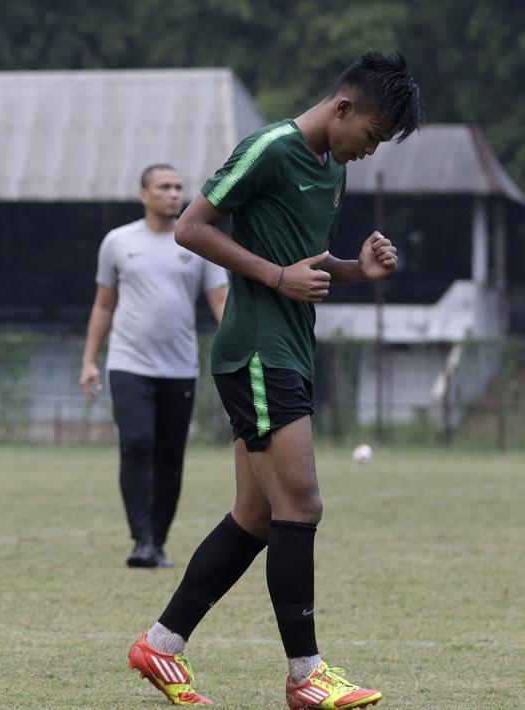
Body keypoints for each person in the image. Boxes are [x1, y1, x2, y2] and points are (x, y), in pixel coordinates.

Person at [127, 51, 422, 708]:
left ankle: (161, 644)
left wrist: (359, 271)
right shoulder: (269, 148)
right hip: (258, 351)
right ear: (343, 107)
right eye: (371, 135)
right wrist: (273, 277)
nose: (369, 151)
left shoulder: (332, 167)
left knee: (256, 515)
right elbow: (191, 228)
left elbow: (308, 264)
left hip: (288, 349)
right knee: (301, 506)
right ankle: (305, 674)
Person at [79, 164, 228, 569]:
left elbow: (220, 301)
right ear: (144, 194)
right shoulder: (118, 241)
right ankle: (141, 540)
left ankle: (158, 541)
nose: (174, 193)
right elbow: (103, 305)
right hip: (128, 363)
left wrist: (244, 348)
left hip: (180, 367)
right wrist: (89, 360)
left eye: (178, 187)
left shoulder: (200, 240)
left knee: (169, 456)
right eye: (164, 187)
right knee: (135, 444)